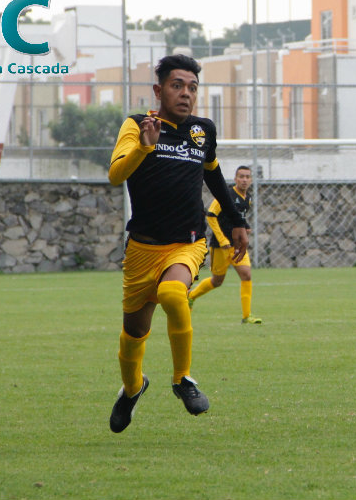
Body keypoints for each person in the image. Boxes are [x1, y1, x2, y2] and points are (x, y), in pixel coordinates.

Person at [107, 54, 248, 433]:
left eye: (192, 87)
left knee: (173, 293)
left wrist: (236, 220)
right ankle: (134, 388)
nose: (186, 94)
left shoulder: (202, 130)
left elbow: (214, 175)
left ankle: (182, 379)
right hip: (141, 248)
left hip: (186, 242)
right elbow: (115, 174)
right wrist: (144, 147)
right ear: (158, 90)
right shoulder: (137, 126)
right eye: (177, 86)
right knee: (134, 332)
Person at [188, 165, 263, 324]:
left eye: (247, 177)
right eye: (241, 176)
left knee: (246, 275)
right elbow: (211, 216)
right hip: (220, 246)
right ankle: (191, 296)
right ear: (235, 179)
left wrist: (245, 227)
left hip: (237, 246)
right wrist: (222, 239)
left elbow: (237, 218)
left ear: (251, 180)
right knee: (217, 281)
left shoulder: (247, 199)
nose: (244, 179)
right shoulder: (226, 195)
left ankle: (246, 316)